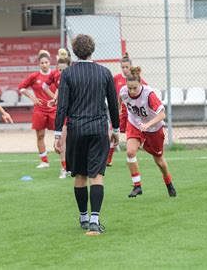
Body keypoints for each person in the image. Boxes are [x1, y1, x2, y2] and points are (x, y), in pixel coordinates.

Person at [54, 34, 120, 236]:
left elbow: (62, 105)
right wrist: (116, 130)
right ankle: (94, 219)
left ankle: (83, 217)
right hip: (99, 129)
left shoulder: (68, 74)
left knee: (80, 175)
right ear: (93, 49)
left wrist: (58, 134)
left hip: (76, 129)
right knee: (97, 175)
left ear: (74, 51)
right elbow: (113, 104)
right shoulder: (105, 72)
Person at [119, 66, 177, 198]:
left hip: (153, 128)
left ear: (140, 83)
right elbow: (122, 104)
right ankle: (137, 186)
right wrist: (121, 122)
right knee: (130, 151)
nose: (132, 91)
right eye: (130, 88)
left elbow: (162, 115)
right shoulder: (123, 92)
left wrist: (148, 125)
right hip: (135, 124)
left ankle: (169, 183)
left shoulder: (149, 94)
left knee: (160, 161)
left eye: (135, 88)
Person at [18, 50, 57, 169]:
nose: (44, 64)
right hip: (39, 110)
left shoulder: (55, 74)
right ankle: (44, 161)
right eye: (42, 63)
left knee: (60, 135)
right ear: (39, 64)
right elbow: (21, 88)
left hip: (54, 109)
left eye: (46, 62)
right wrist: (33, 98)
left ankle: (65, 163)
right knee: (40, 136)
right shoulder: (34, 76)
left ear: (50, 62)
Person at [108, 53, 148, 166]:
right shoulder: (116, 78)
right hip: (120, 112)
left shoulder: (136, 80)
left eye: (127, 67)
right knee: (112, 134)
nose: (125, 69)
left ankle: (136, 151)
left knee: (132, 136)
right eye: (123, 67)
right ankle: (108, 159)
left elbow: (146, 89)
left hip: (133, 113)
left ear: (131, 67)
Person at [44, 48, 71, 178]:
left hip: (76, 112)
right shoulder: (57, 76)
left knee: (76, 141)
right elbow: (56, 89)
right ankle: (64, 168)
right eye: (60, 70)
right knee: (61, 140)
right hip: (63, 112)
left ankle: (74, 166)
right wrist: (54, 99)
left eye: (64, 70)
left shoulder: (74, 77)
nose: (62, 72)